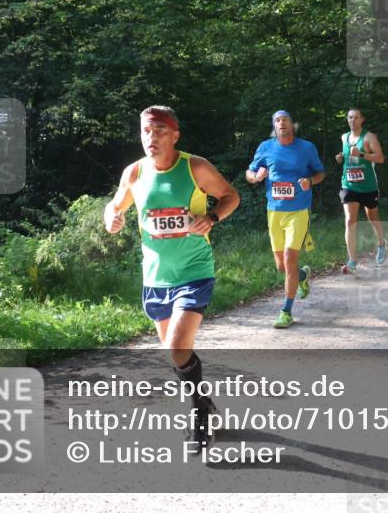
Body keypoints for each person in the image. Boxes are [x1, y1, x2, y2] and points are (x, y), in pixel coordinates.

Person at [104, 105, 240, 452]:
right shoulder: (134, 172)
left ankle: (198, 417)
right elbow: (115, 204)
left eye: (160, 131)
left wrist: (211, 217)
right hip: (155, 278)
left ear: (175, 135)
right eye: (146, 131)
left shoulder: (194, 167)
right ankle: (205, 403)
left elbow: (231, 196)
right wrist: (112, 218)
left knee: (179, 347)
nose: (152, 137)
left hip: (194, 271)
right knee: (174, 353)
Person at [246, 110, 325, 329]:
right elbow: (249, 174)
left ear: (292, 124)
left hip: (299, 211)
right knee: (282, 266)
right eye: (278, 120)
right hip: (274, 211)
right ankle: (302, 275)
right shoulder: (265, 147)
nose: (282, 123)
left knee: (290, 258)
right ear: (274, 125)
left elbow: (320, 173)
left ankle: (286, 311)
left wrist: (310, 180)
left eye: (286, 119)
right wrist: (256, 177)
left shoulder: (306, 148)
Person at [334, 108, 387, 273]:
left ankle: (381, 244)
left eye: (356, 117)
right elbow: (347, 156)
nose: (352, 120)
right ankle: (351, 261)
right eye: (350, 117)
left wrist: (362, 154)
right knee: (350, 220)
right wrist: (340, 158)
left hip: (368, 186)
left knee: (372, 217)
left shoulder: (369, 137)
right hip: (349, 185)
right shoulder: (344, 137)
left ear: (361, 119)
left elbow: (380, 158)